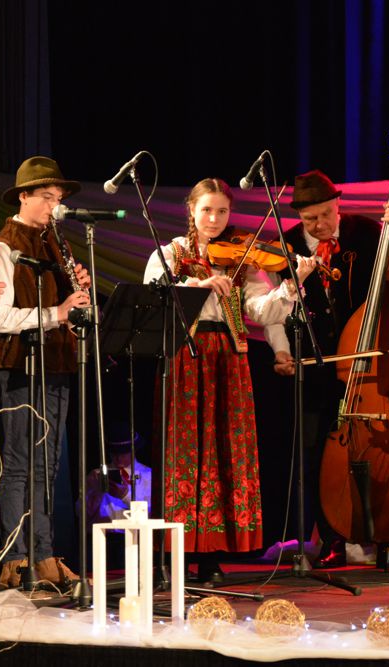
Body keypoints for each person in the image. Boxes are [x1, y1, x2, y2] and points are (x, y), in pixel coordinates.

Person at [143, 177, 316, 582]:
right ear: (191, 209)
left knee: (224, 453)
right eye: (207, 209)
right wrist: (199, 285)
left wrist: (293, 286)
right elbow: (154, 296)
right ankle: (176, 553)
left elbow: (263, 311)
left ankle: (211, 555)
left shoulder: (240, 260)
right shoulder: (169, 254)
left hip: (229, 359)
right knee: (186, 452)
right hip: (186, 356)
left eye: (222, 211)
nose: (214, 218)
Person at [263, 169, 389, 568]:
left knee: (380, 446)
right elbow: (276, 311)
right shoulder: (282, 247)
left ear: (338, 206)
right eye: (310, 219)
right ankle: (333, 537)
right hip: (317, 365)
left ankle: (387, 534)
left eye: (326, 215)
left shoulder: (367, 232)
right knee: (319, 452)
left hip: (370, 359)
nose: (320, 225)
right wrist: (282, 351)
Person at [0, 156, 91, 589]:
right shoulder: (5, 244)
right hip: (20, 362)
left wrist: (78, 298)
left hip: (57, 361)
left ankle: (44, 554)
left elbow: (65, 308)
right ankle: (15, 559)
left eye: (58, 198)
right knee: (20, 464)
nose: (55, 206)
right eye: (47, 197)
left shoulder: (54, 242)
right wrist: (58, 312)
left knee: (47, 466)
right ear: (24, 197)